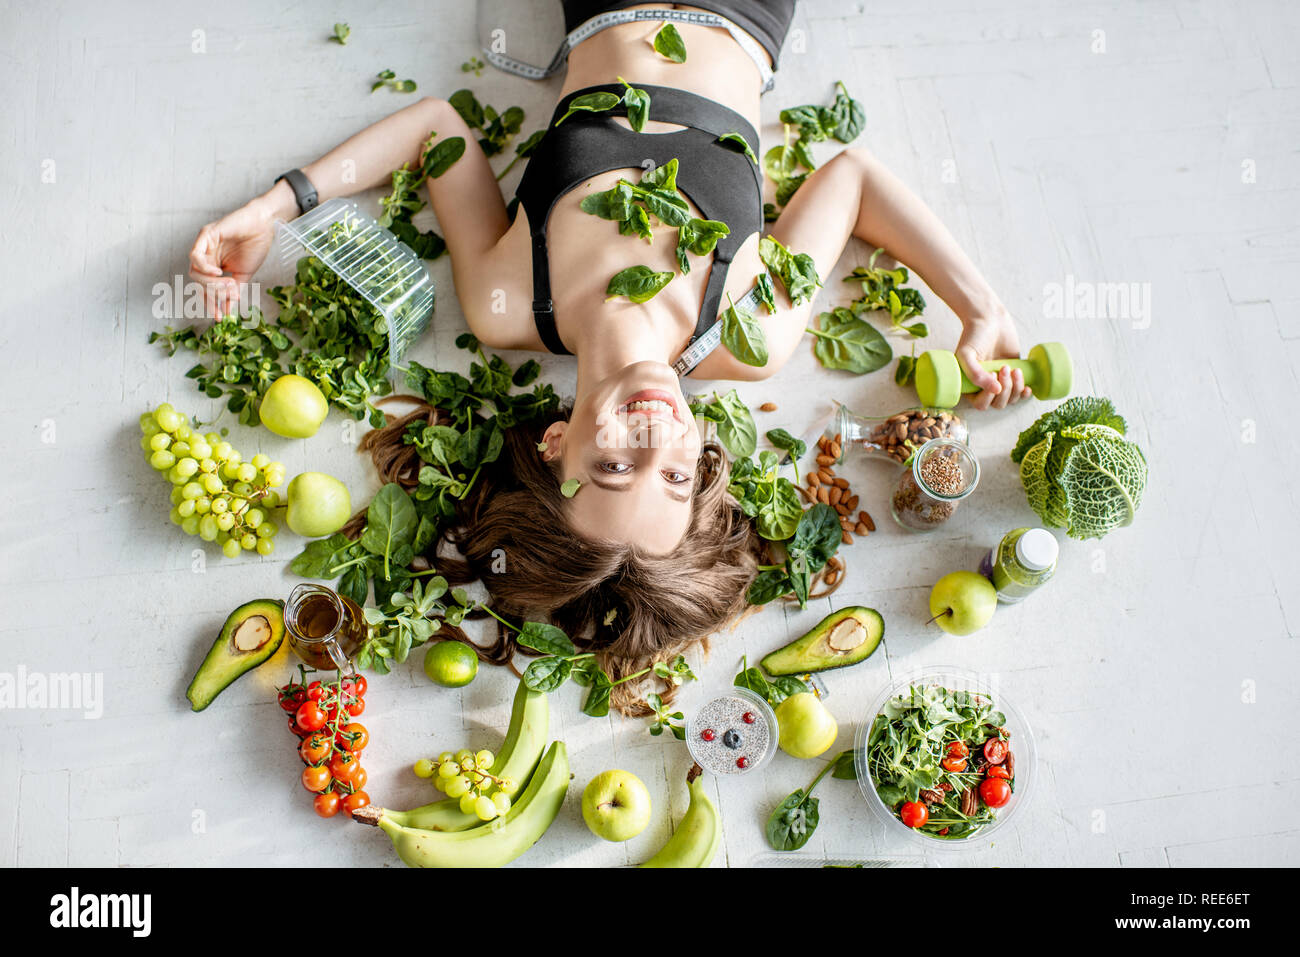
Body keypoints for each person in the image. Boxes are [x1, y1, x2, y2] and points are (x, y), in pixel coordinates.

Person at [187, 1, 1029, 710]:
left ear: (556, 446)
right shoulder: (749, 333)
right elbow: (852, 179)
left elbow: (435, 131)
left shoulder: (510, 304)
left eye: (615, 468)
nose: (656, 438)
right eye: (673, 475)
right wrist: (979, 307)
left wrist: (277, 205)